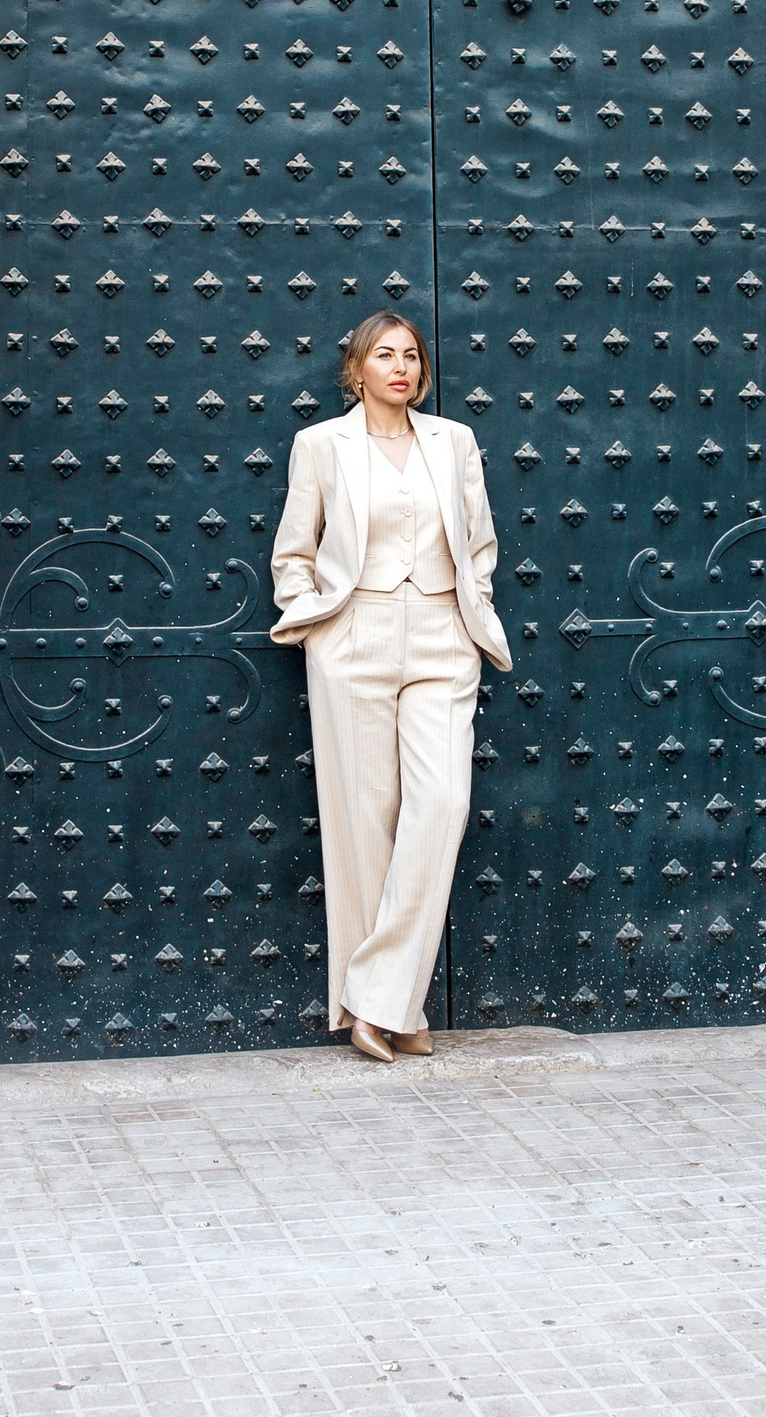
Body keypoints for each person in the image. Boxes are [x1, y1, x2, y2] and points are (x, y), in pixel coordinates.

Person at [269, 310, 511, 1062]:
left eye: (412, 355)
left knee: (440, 807)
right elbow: (293, 550)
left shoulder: (453, 442)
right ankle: (393, 1011)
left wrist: (474, 605)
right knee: (364, 825)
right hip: (355, 635)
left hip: (443, 635)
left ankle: (374, 998)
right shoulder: (321, 446)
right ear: (357, 370)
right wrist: (312, 617)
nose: (402, 367)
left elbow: (479, 543)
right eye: (385, 355)